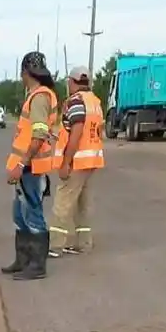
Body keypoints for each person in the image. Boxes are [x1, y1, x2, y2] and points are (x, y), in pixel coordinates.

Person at [1, 51, 59, 280]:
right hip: (26, 167)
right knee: (20, 215)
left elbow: (38, 135)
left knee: (33, 215)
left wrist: (21, 164)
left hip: (31, 167)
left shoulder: (39, 98)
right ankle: (23, 259)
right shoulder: (35, 96)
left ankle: (37, 265)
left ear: (26, 72)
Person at [48, 66, 105, 257]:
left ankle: (55, 245)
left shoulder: (76, 101)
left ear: (72, 82)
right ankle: (84, 243)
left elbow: (77, 132)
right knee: (82, 204)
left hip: (77, 161)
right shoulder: (94, 101)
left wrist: (66, 162)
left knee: (63, 202)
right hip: (91, 160)